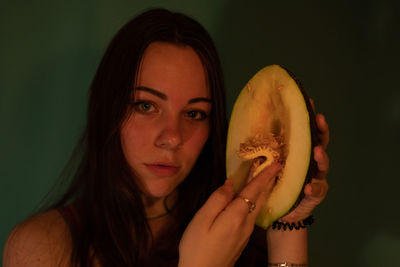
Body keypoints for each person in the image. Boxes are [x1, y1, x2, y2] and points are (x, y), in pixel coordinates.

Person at [3, 8, 329, 267]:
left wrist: (287, 224)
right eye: (146, 105)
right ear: (100, 106)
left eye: (194, 114)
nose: (172, 138)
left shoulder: (240, 237)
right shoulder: (41, 248)